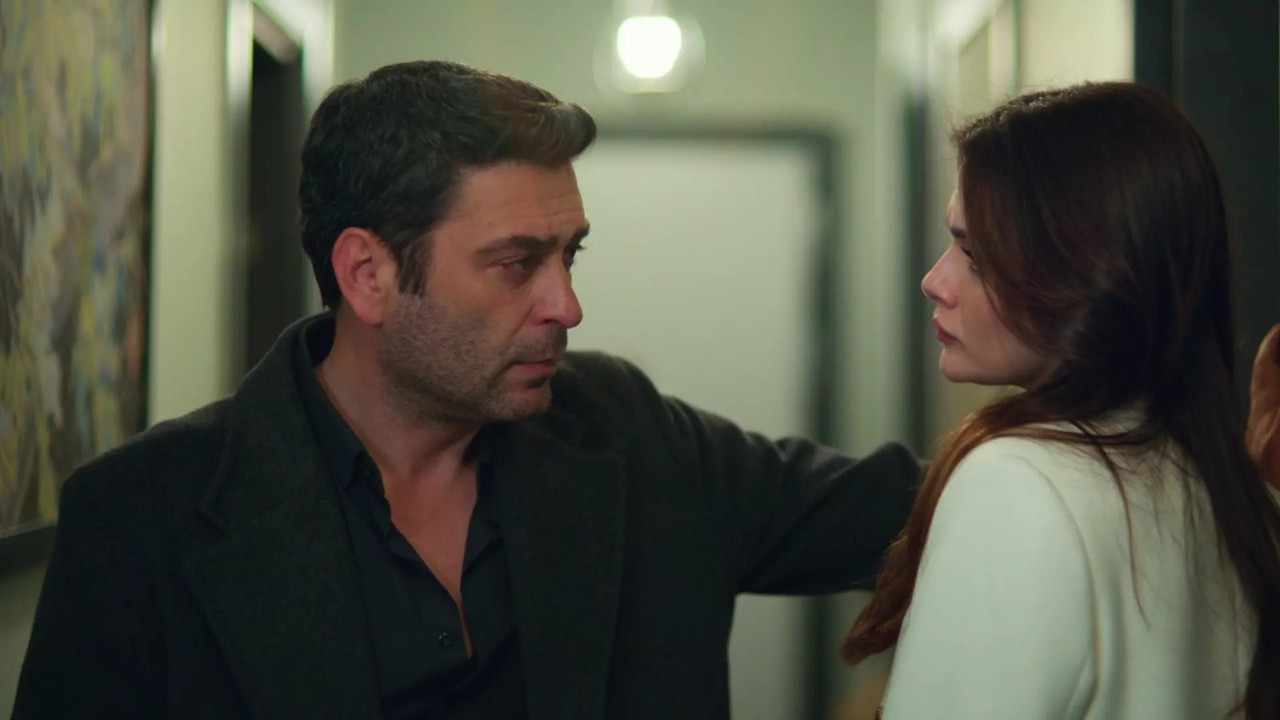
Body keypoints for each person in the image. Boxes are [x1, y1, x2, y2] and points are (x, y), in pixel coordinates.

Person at [11, 62, 1279, 720]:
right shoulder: (147, 518)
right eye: (515, 263)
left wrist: (1212, 452)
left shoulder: (617, 432)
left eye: (571, 255)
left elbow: (910, 504)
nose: (564, 305)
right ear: (368, 274)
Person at [841, 82, 1280, 719]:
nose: (935, 281)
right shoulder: (1231, 493)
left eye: (974, 255)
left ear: (1086, 272)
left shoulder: (1018, 480)